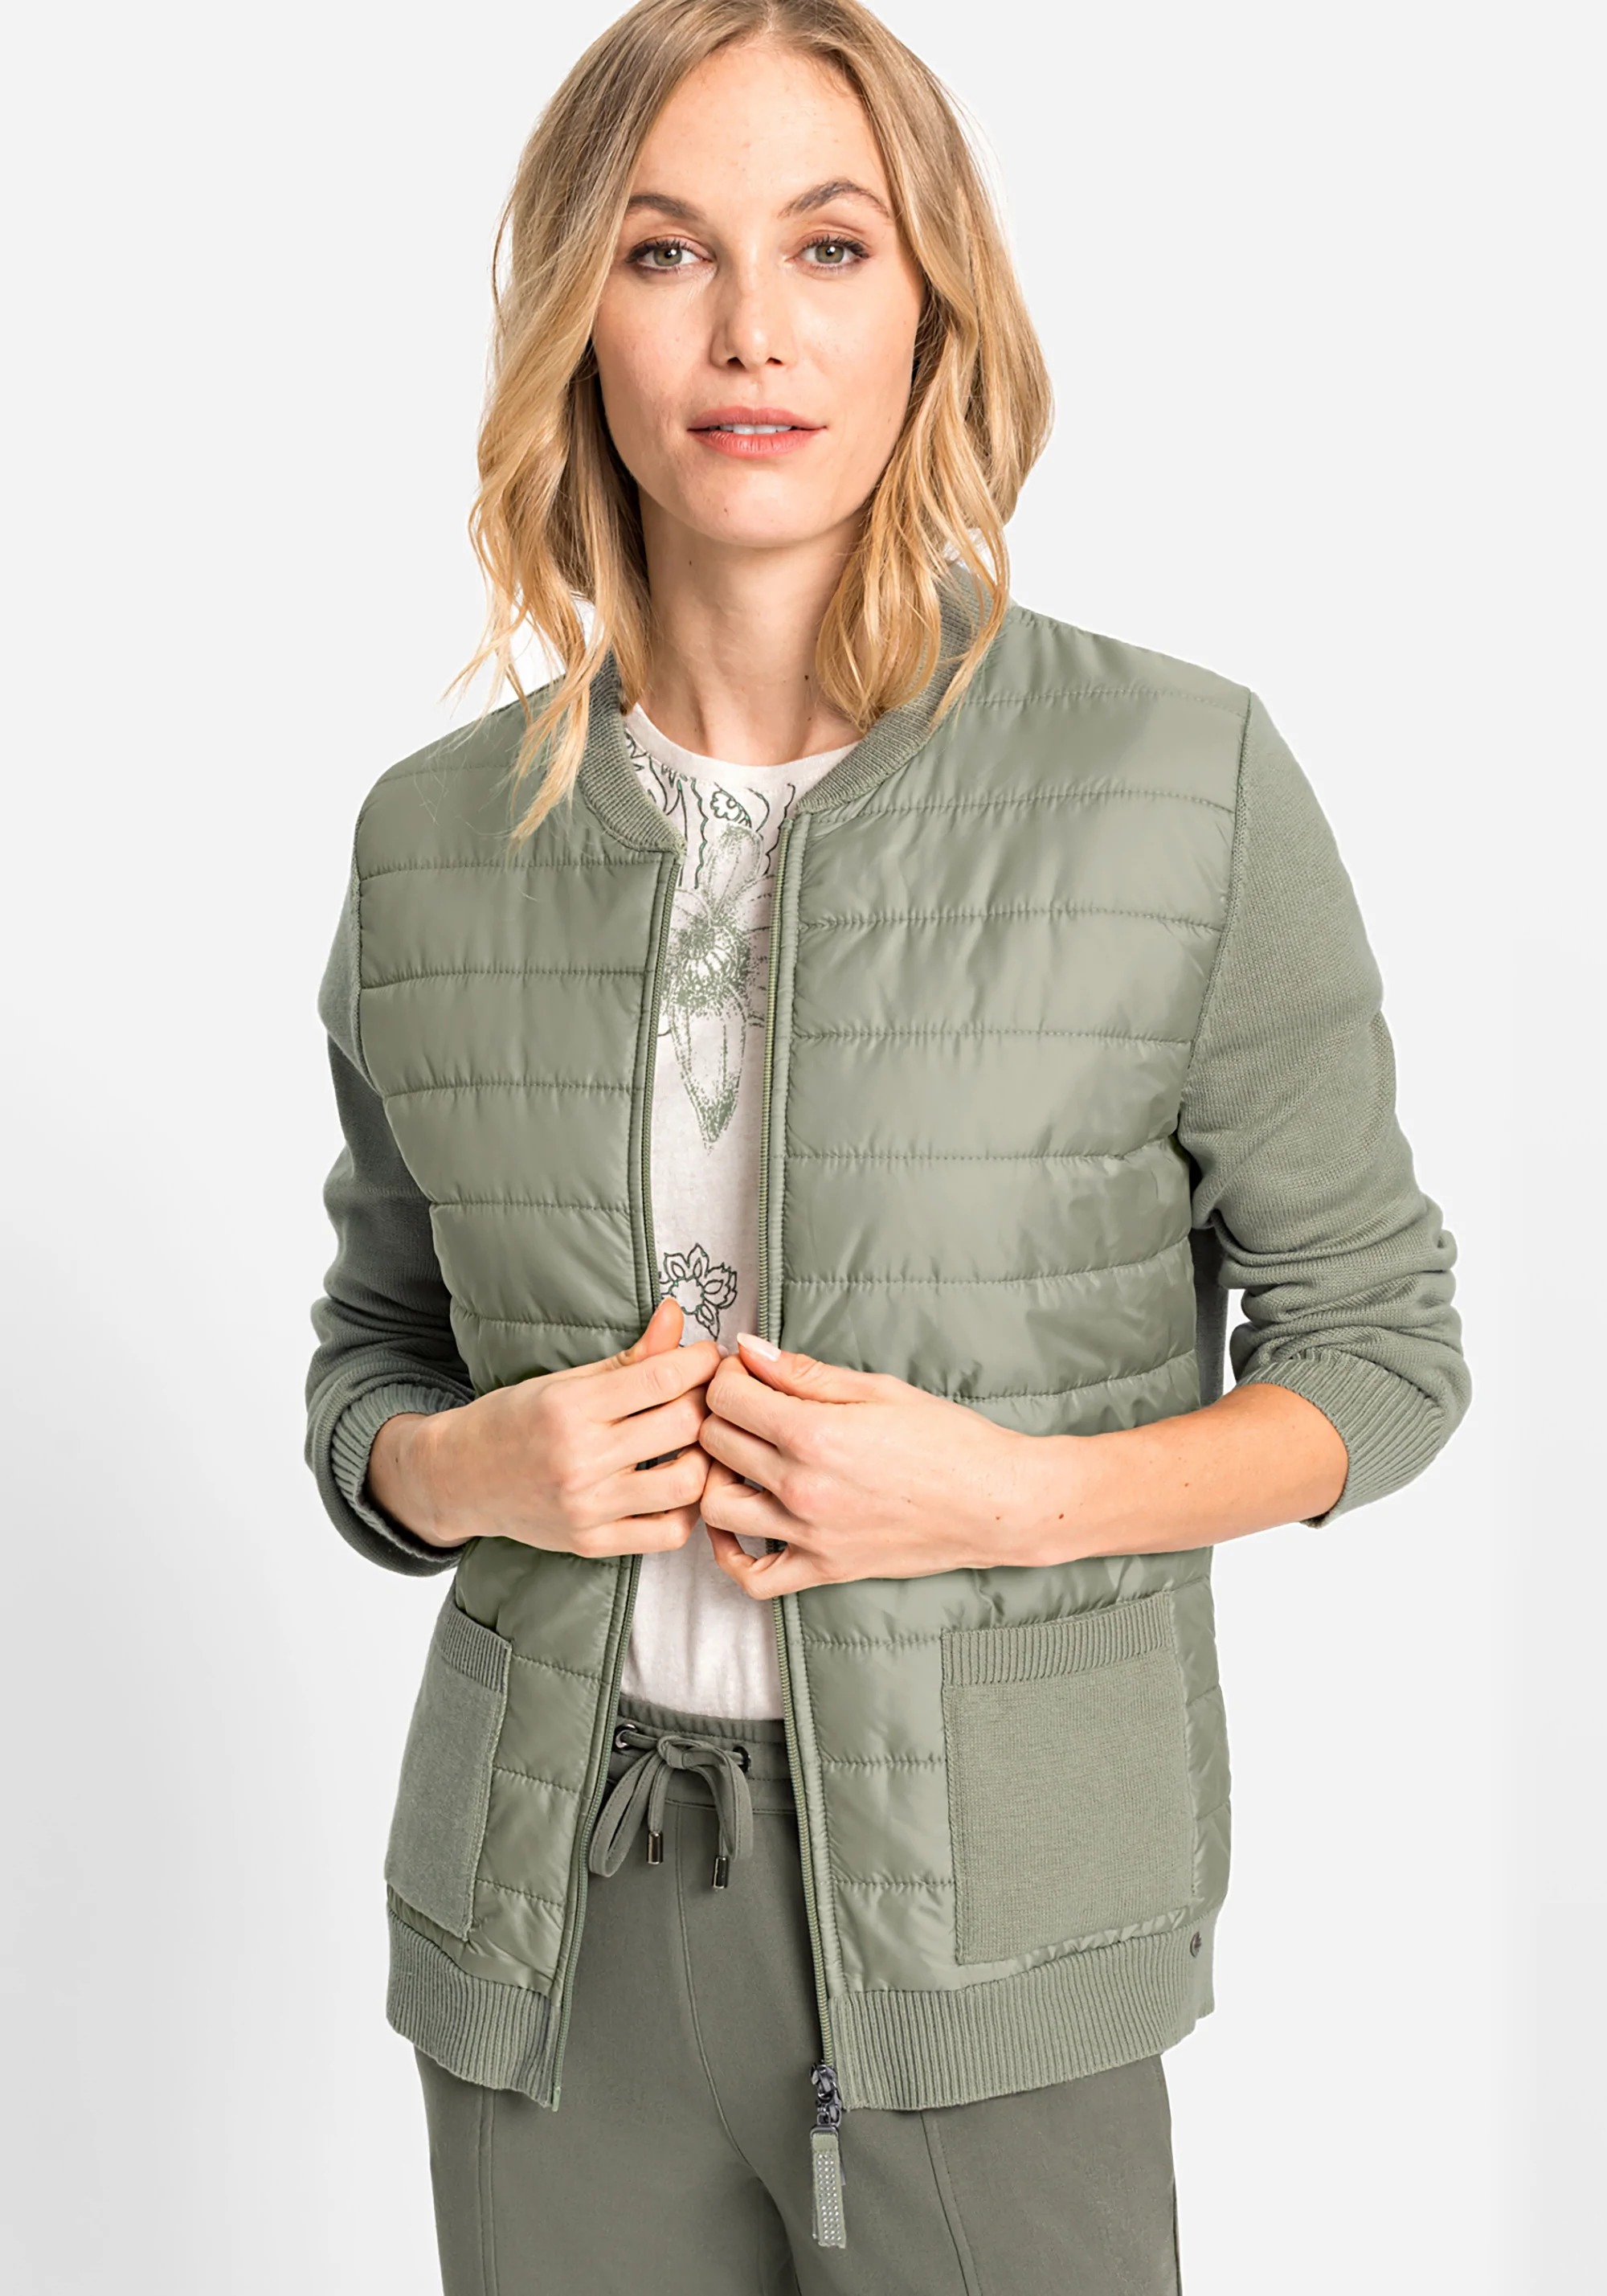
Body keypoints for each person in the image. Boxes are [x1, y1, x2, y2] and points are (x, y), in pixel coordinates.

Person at [304, 2, 1470, 2289]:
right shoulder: (435, 842)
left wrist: (1010, 1497)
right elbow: (373, 1355)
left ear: (934, 303)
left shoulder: (1180, 785)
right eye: (665, 250)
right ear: (575, 316)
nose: (751, 328)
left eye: (829, 246)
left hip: (988, 1939)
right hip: (548, 1932)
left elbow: (1384, 1353)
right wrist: (463, 1467)